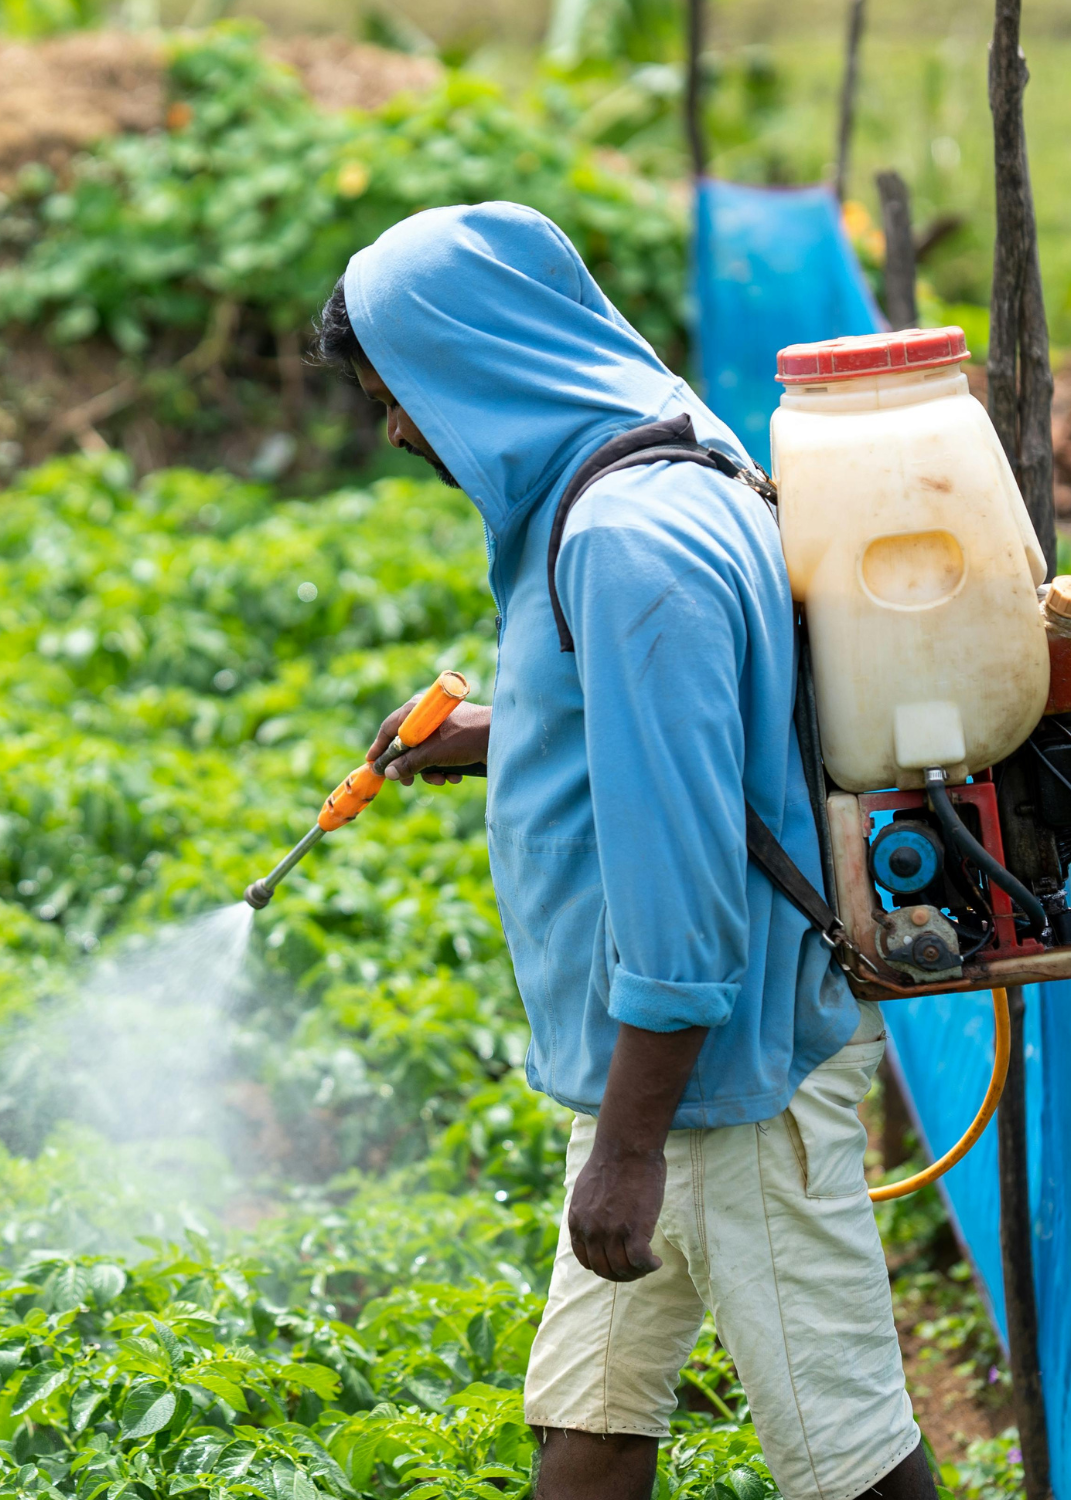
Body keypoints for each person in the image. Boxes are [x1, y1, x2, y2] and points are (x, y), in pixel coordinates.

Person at [318, 202, 933, 1500]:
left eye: (399, 396)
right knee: (588, 1424)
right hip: (668, 1074)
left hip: (722, 1085)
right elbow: (711, 717)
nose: (401, 433)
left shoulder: (621, 544)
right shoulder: (669, 440)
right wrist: (516, 731)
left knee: (851, 1463)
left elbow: (686, 870)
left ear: (476, 364)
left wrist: (631, 1147)